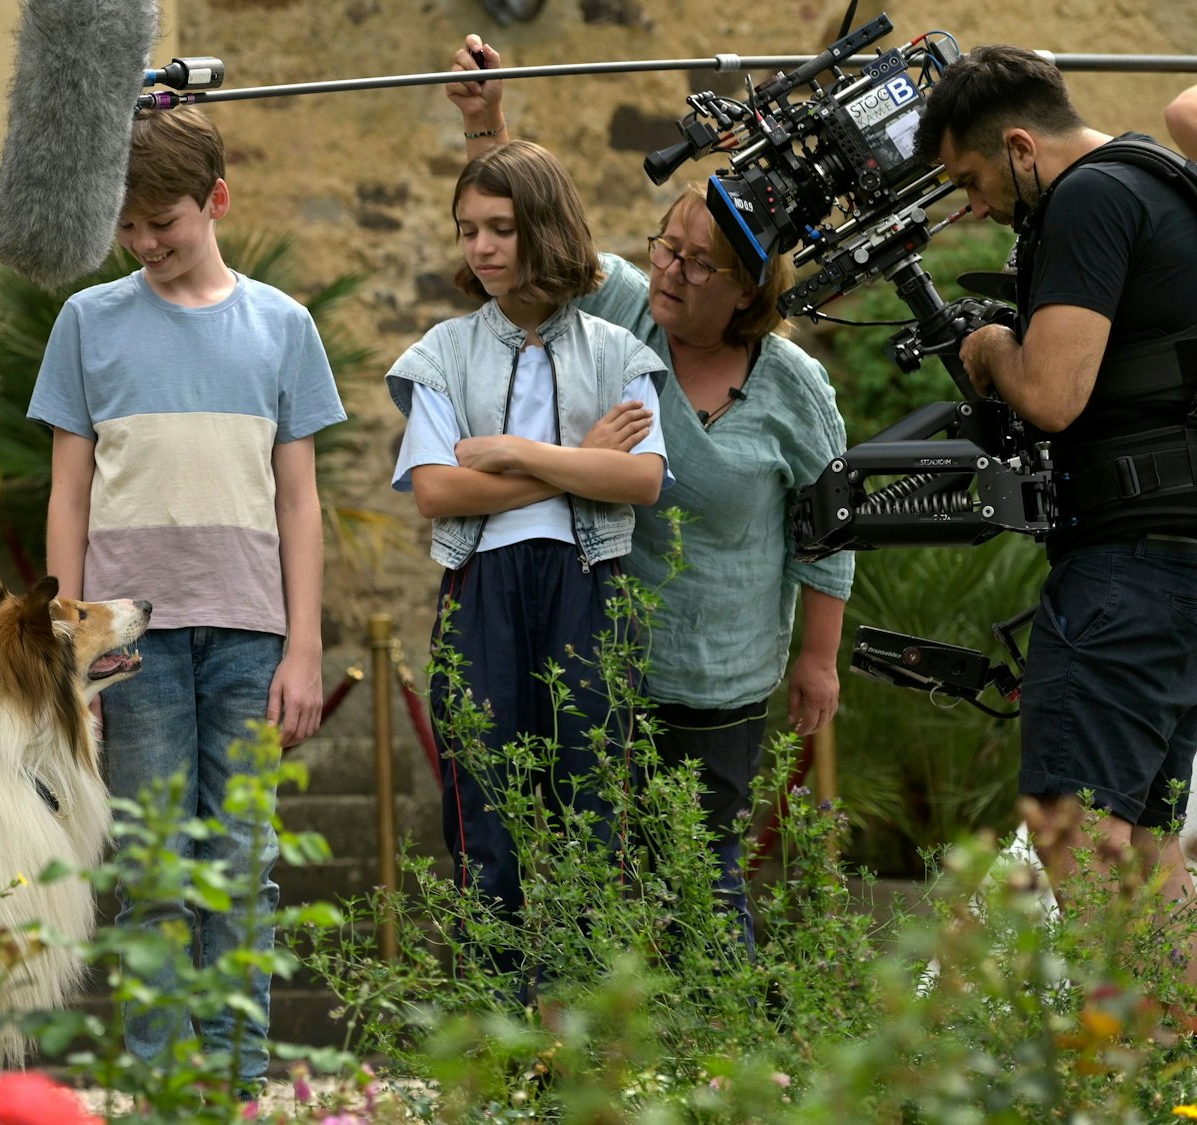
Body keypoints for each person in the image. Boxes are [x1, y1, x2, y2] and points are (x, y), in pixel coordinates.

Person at [446, 35, 855, 953]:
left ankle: (732, 1061)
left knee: (702, 880)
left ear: (750, 288)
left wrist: (818, 661)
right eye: (667, 247)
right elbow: (533, 247)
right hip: (604, 660)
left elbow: (829, 532)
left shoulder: (795, 388)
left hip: (724, 679)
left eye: (699, 264)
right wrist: (488, 126)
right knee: (595, 879)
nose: (671, 271)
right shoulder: (627, 313)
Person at [30, 105, 346, 1098]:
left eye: (160, 221)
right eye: (127, 228)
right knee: (155, 870)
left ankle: (234, 1089)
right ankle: (166, 1092)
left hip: (251, 639)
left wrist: (304, 648)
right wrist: (66, 653)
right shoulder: (87, 324)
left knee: (241, 864)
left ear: (215, 200)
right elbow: (67, 496)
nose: (144, 244)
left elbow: (298, 501)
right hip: (131, 646)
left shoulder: (281, 327)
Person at [915, 46, 1197, 933]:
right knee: (1151, 851)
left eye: (974, 177)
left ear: (1024, 146)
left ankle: (1115, 1064)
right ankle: (1169, 1069)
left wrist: (993, 344)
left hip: (1130, 576)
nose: (976, 205)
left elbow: (1051, 394)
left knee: (1075, 836)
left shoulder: (1090, 197)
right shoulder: (1160, 180)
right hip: (1179, 571)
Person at [386, 137, 670, 1002]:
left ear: (543, 228)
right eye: (467, 229)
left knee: (590, 799)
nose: (480, 247)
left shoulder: (616, 350)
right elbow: (437, 492)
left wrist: (512, 453)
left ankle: (578, 1030)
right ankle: (496, 1025)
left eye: (500, 228)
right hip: (483, 590)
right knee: (486, 807)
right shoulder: (443, 350)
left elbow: (642, 477)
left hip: (589, 584)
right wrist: (569, 459)